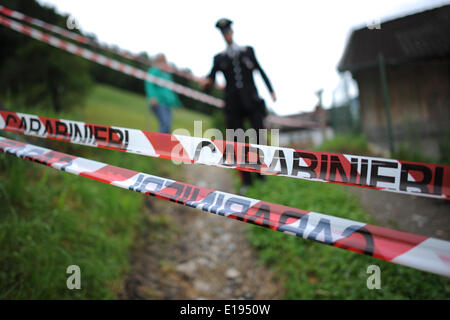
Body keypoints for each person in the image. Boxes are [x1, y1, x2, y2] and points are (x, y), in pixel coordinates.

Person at [203, 18, 276, 194]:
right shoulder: (219, 58)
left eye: (228, 31)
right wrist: (206, 84)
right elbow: (210, 79)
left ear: (232, 32)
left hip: (252, 101)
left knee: (259, 137)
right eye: (224, 33)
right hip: (233, 105)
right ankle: (247, 181)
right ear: (222, 35)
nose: (227, 35)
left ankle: (261, 175)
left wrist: (271, 91)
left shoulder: (247, 51)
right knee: (238, 141)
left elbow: (260, 70)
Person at [145, 54, 182, 133]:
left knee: (167, 126)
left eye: (164, 61)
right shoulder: (153, 71)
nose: (163, 63)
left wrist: (178, 104)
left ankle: (161, 143)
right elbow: (149, 84)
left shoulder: (167, 76)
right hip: (158, 102)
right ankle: (158, 143)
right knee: (165, 124)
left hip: (168, 104)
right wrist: (152, 96)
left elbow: (171, 91)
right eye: (160, 61)